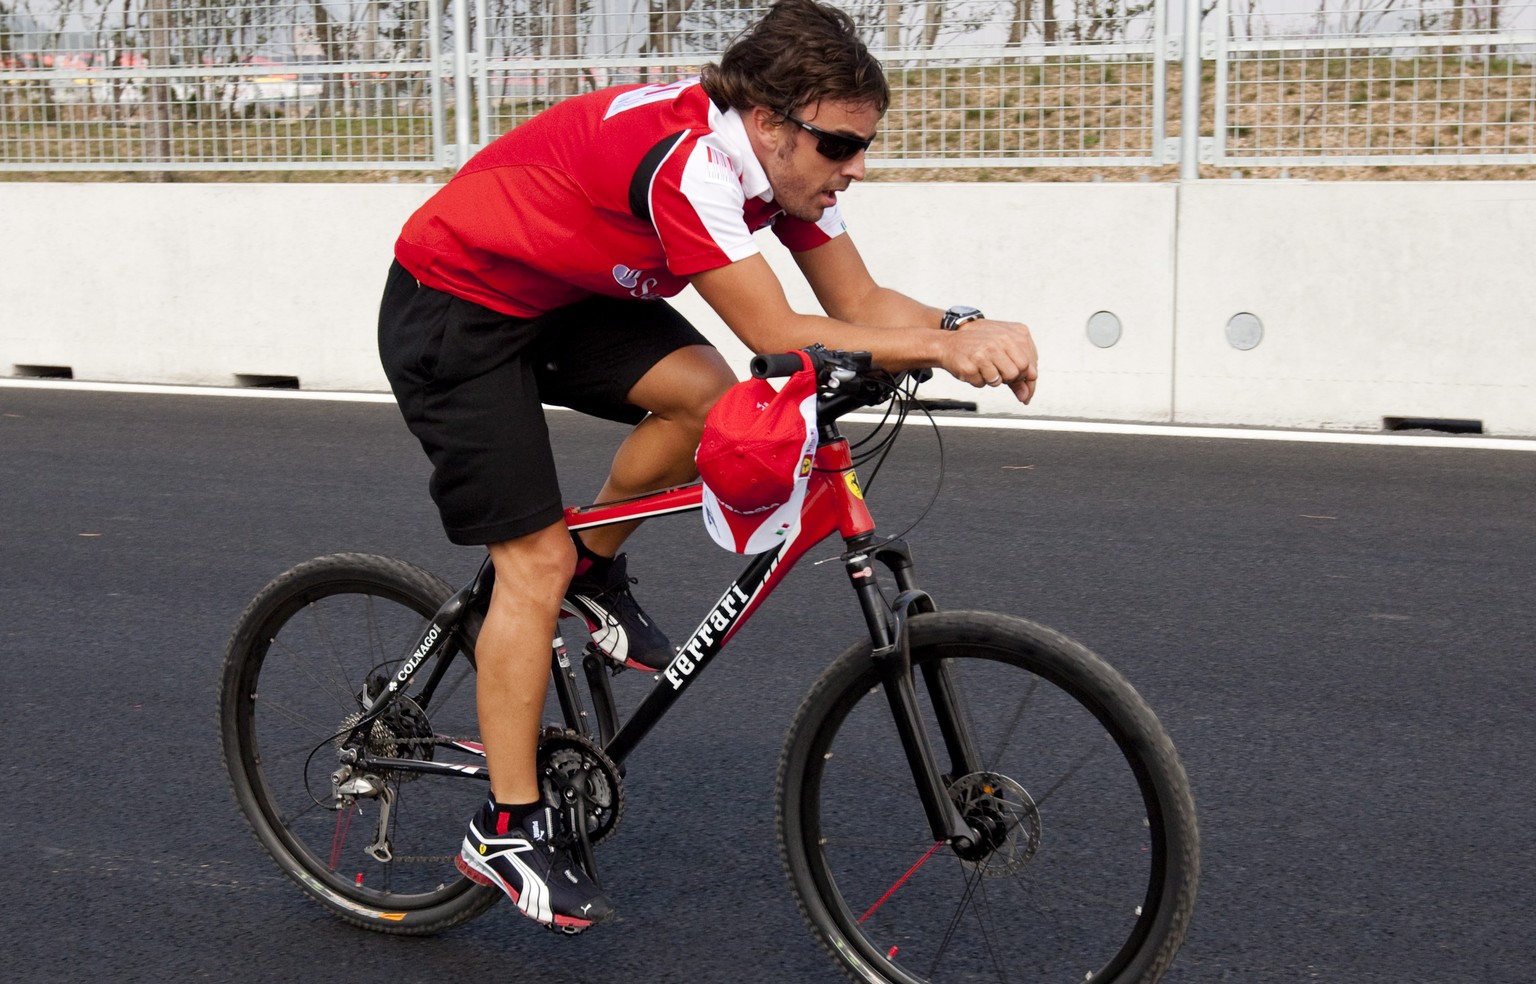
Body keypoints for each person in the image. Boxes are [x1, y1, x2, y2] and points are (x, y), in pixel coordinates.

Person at [377, 0, 1038, 933]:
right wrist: (934, 349)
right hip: (459, 304)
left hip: (559, 295)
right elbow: (776, 331)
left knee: (707, 398)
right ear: (771, 122)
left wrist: (964, 326)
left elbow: (857, 301)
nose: (856, 168)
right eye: (843, 147)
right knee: (533, 562)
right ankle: (506, 825)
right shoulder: (693, 167)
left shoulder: (780, 168)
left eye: (864, 146)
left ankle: (597, 569)